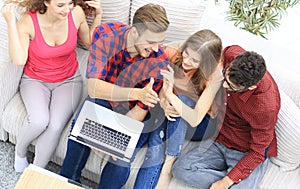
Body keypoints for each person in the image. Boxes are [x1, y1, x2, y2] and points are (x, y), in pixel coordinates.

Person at [59, 3, 170, 189]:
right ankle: (67, 182)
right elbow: (94, 88)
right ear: (134, 32)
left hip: (133, 113)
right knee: (80, 131)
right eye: (151, 41)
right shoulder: (105, 35)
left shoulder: (159, 61)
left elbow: (140, 110)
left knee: (120, 160)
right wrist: (137, 93)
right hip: (105, 98)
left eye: (159, 41)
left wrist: (111, 136)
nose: (156, 47)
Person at [1, 0, 102, 172]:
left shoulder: (76, 13)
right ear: (46, 2)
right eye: (60, 5)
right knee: (39, 121)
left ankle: (35, 171)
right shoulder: (28, 21)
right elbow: (19, 60)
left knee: (55, 126)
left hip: (69, 80)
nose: (67, 9)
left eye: (70, 3)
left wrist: (98, 15)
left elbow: (89, 42)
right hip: (35, 80)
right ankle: (20, 152)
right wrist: (11, 22)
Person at [171, 45, 280, 189]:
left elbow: (257, 152)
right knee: (180, 170)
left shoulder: (266, 106)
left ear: (251, 87)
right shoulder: (232, 54)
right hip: (220, 138)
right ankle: (241, 181)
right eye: (225, 76)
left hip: (245, 150)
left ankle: (238, 179)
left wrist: (226, 181)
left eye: (231, 86)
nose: (224, 85)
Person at [138, 29, 224, 189]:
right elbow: (161, 85)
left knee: (182, 100)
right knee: (156, 144)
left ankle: (168, 166)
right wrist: (164, 102)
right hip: (171, 110)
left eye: (194, 60)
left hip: (201, 123)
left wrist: (170, 96)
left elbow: (194, 118)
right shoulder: (174, 51)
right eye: (187, 53)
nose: (186, 61)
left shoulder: (215, 74)